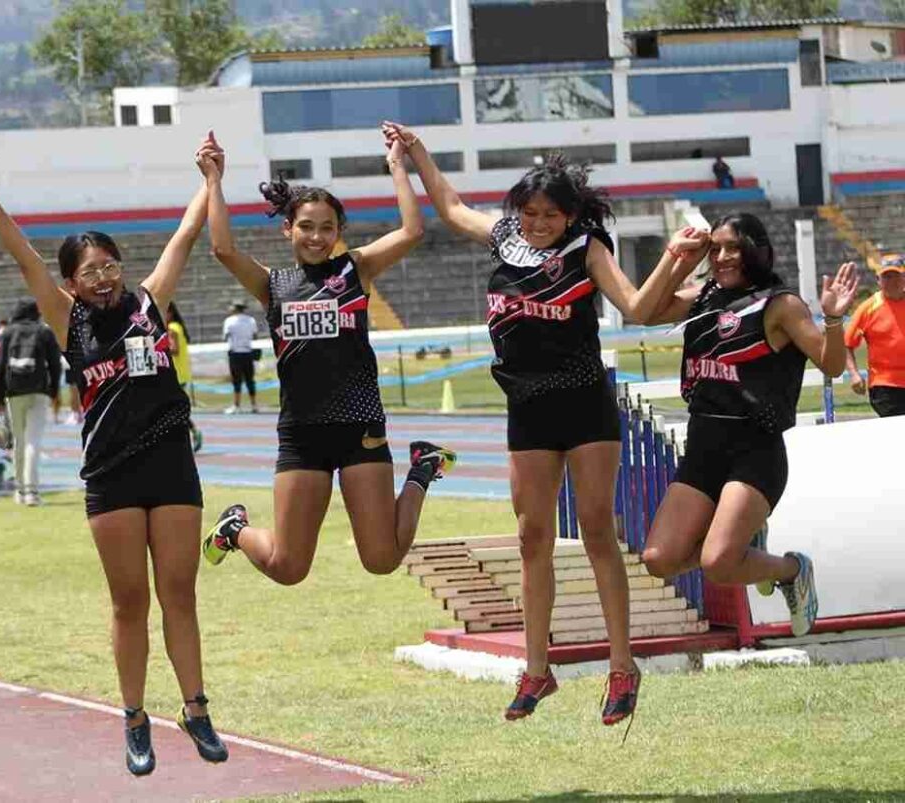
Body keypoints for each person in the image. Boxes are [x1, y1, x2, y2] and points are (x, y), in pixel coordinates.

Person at [385, 121, 690, 726]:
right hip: (525, 408)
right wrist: (416, 153)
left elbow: (633, 307)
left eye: (550, 214)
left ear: (571, 215)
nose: (538, 222)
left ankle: (622, 666)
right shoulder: (504, 239)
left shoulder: (588, 248)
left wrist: (676, 261)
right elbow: (449, 207)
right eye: (529, 212)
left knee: (599, 531)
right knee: (532, 539)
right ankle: (536, 670)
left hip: (583, 406)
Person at [0, 137, 229, 777]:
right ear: (72, 282)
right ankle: (135, 718)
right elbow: (24, 257)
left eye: (111, 264)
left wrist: (212, 178)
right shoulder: (68, 319)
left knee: (180, 594)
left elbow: (187, 237)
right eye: (90, 271)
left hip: (171, 470)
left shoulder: (148, 303)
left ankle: (195, 709)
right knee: (129, 601)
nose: (105, 277)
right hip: (110, 476)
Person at [198, 129, 457, 589]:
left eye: (327, 228)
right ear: (287, 228)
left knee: (381, 560)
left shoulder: (354, 269)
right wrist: (213, 180)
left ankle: (422, 468)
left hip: (360, 427)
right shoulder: (271, 284)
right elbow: (222, 249)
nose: (316, 237)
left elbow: (413, 230)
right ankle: (235, 529)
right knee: (287, 568)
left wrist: (398, 165)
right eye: (306, 226)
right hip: (302, 434)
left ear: (339, 233)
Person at [640, 213, 858, 638]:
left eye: (732, 247)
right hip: (703, 446)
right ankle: (745, 545)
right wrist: (680, 257)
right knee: (658, 559)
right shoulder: (702, 297)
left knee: (719, 564)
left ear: (755, 251)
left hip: (754, 450)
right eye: (715, 247)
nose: (722, 257)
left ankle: (792, 570)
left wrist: (832, 319)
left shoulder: (781, 304)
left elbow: (831, 364)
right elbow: (644, 311)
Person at [0, 299, 62, 506]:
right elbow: (55, 365)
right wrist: (53, 392)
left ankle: (20, 490)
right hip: (39, 390)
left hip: (14, 391)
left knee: (19, 441)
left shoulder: (8, 332)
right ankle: (32, 491)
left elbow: (2, 366)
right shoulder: (44, 332)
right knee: (33, 441)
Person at [845, 253, 905, 417]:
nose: (892, 281)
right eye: (887, 277)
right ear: (878, 281)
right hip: (885, 386)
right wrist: (854, 374)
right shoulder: (868, 308)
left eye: (896, 276)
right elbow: (847, 345)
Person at [166, 302, 203, 452]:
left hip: (175, 374)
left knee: (173, 409)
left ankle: (192, 432)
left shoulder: (171, 328)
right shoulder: (178, 327)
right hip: (181, 373)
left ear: (170, 313)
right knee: (173, 408)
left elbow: (174, 349)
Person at [222, 301, 259, 414]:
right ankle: (254, 405)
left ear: (235, 308)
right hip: (248, 352)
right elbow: (255, 336)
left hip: (235, 353)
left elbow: (225, 336)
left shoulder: (229, 321)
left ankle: (237, 405)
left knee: (236, 380)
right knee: (250, 380)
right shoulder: (251, 320)